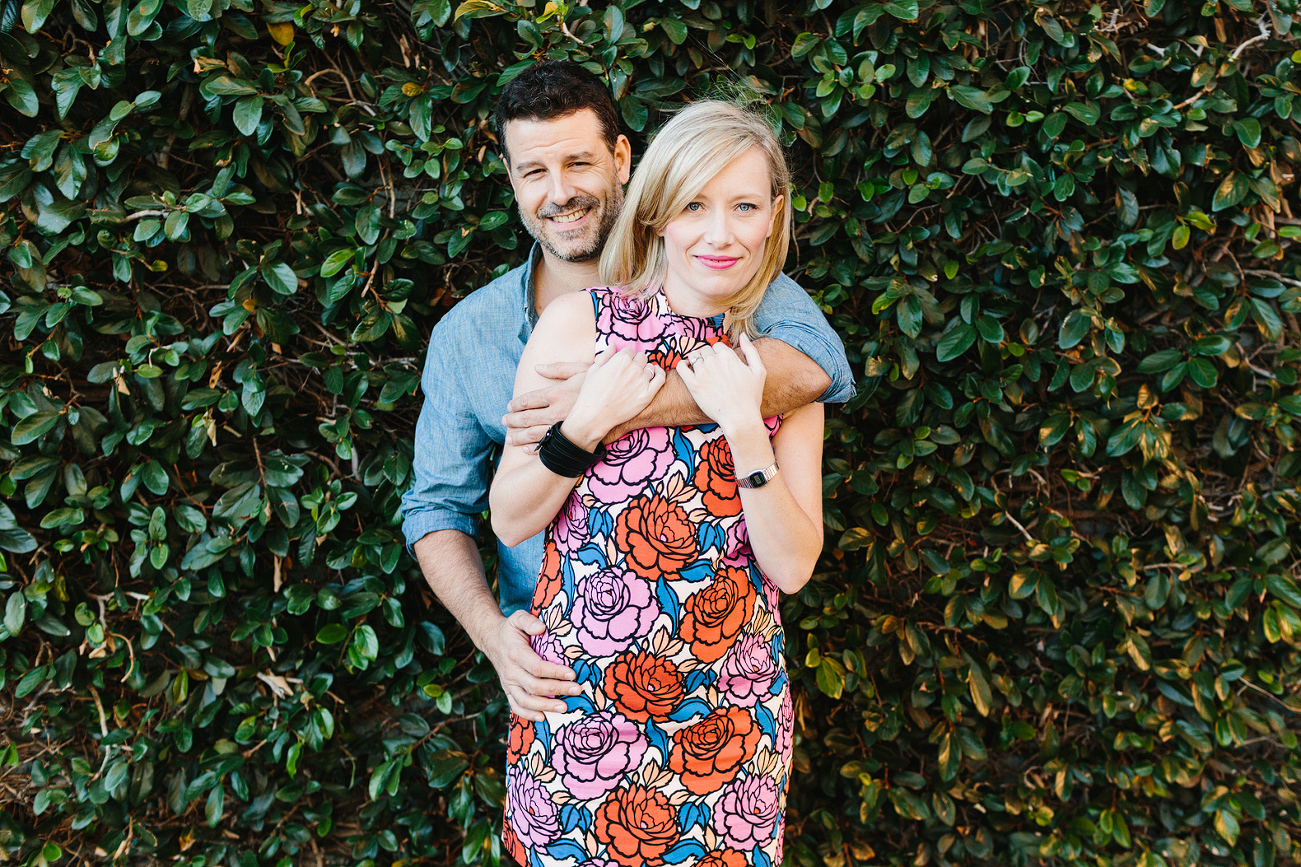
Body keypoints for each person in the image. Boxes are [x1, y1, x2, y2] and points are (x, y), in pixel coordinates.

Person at [399, 61, 853, 724]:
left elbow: (816, 368)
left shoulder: (725, 270)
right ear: (512, 180)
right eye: (534, 172)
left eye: (578, 163)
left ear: (621, 159)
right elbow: (438, 506)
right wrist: (491, 633)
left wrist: (626, 398)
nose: (559, 192)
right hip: (564, 675)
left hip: (722, 681)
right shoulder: (471, 335)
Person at [489, 99, 821, 867]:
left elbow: (795, 566)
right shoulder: (579, 326)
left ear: (772, 217)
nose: (718, 233)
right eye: (694, 205)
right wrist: (586, 424)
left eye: (743, 206)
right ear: (659, 214)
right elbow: (509, 518)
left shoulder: (777, 368)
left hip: (728, 734)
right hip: (581, 720)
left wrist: (744, 429)